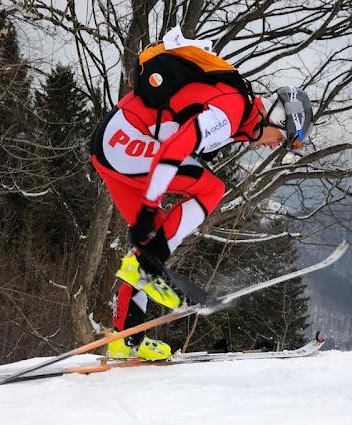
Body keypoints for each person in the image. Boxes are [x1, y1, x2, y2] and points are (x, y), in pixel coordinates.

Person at [89, 33, 313, 361]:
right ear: (276, 116)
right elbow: (179, 145)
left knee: (147, 244)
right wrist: (152, 207)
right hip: (125, 141)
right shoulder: (234, 107)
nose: (272, 145)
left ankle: (127, 337)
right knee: (211, 189)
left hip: (112, 144)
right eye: (280, 137)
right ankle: (146, 266)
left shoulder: (238, 118)